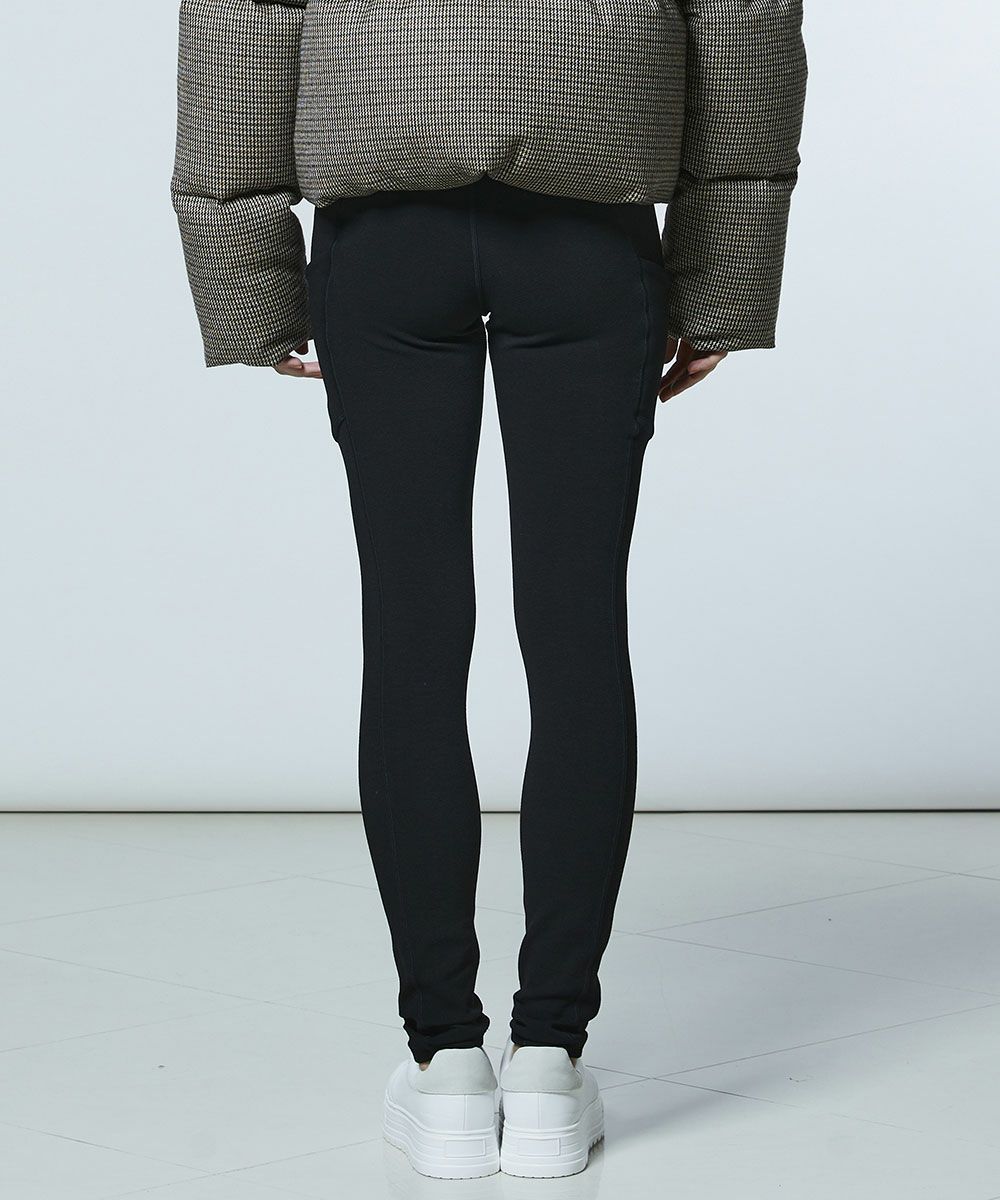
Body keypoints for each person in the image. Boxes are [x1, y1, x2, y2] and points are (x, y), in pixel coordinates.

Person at [170, 0, 807, 1180]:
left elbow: (241, 27)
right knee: (577, 636)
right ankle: (549, 1059)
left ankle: (447, 1064)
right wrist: (722, 283)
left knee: (411, 639)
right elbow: (743, 24)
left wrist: (248, 284)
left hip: (382, 247)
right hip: (590, 241)